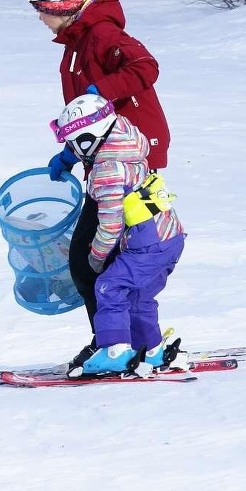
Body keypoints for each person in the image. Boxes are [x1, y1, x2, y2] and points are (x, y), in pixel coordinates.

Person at [24, 0, 173, 370]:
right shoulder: (76, 41)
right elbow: (86, 118)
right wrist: (71, 154)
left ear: (61, 6)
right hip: (106, 153)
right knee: (103, 259)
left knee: (94, 257)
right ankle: (119, 343)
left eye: (42, 8)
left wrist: (102, 90)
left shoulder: (103, 34)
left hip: (128, 158)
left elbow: (146, 66)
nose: (39, 17)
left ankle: (114, 347)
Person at [50, 93, 185, 376]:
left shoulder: (106, 172)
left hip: (146, 246)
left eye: (74, 143)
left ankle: (114, 350)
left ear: (89, 140)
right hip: (169, 238)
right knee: (139, 297)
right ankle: (151, 350)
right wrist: (68, 157)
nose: (73, 148)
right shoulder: (127, 140)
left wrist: (96, 257)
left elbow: (110, 225)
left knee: (108, 287)